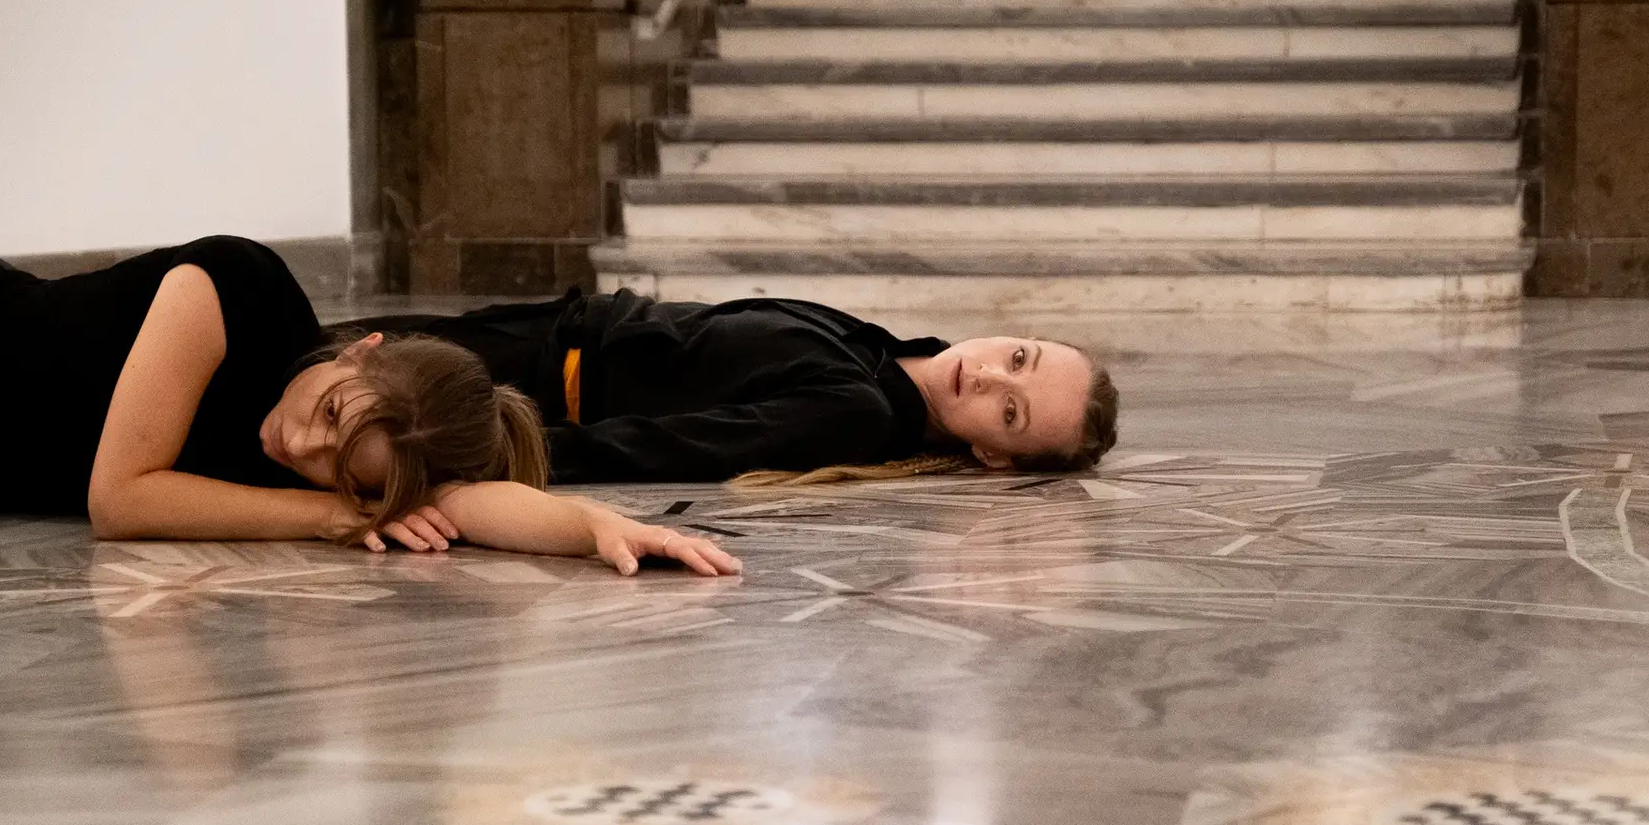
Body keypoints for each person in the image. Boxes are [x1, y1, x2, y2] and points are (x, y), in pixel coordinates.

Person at [0, 222, 738, 575]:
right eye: (330, 413)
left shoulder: (362, 458)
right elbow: (119, 499)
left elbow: (469, 504)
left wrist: (596, 526)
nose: (301, 447)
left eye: (341, 468)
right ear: (359, 350)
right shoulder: (236, 287)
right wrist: (330, 514)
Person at [349, 290, 1120, 485]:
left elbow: (678, 446)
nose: (986, 375)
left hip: (534, 380)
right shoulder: (884, 356)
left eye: (1008, 410)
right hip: (550, 330)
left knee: (320, 372)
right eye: (1018, 358)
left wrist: (507, 454)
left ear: (993, 455)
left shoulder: (858, 411)